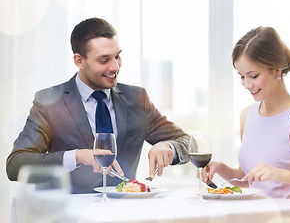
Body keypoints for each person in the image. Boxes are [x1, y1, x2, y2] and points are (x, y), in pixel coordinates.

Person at [6, 17, 190, 194]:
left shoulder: (137, 99)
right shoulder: (49, 101)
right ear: (79, 61)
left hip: (124, 212)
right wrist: (77, 156)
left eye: (117, 57)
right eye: (104, 60)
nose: (115, 67)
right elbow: (15, 165)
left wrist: (168, 146)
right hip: (68, 214)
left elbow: (190, 143)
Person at [202, 26, 290, 199]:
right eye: (242, 76)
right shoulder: (246, 116)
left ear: (276, 69)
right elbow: (249, 180)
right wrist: (220, 167)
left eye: (254, 76)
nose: (247, 85)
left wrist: (283, 174)